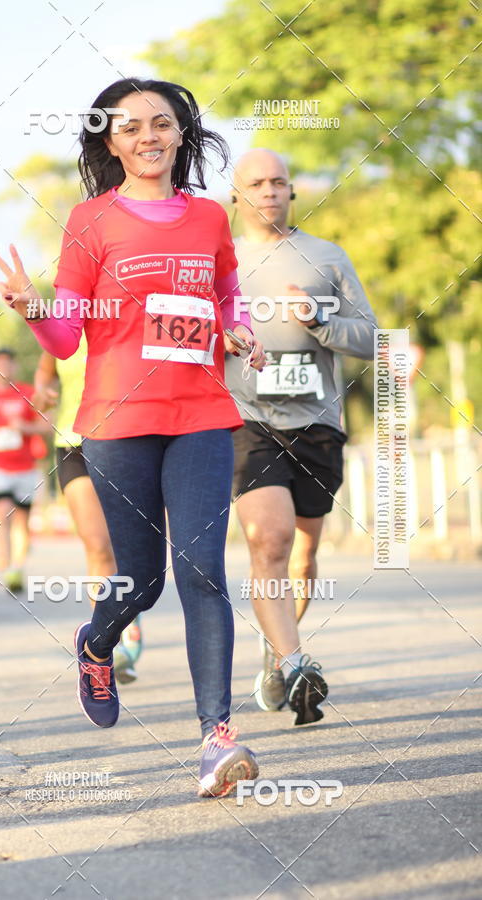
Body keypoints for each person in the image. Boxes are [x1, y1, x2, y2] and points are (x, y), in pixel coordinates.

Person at [0, 77, 267, 797]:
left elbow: (227, 296)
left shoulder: (209, 217)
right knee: (138, 580)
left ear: (181, 133)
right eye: (131, 127)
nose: (149, 136)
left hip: (202, 414)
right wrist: (30, 309)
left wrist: (240, 330)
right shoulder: (91, 222)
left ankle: (216, 737)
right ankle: (96, 641)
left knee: (202, 571)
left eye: (162, 123)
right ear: (110, 142)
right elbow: (67, 335)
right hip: (117, 423)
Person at [226, 148, 377, 725]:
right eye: (256, 183)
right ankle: (294, 664)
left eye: (279, 182)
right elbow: (184, 337)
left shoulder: (326, 257)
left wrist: (320, 319)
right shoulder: (220, 261)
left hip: (317, 424)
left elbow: (370, 338)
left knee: (304, 554)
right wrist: (220, 342)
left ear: (292, 191)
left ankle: (275, 646)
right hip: (246, 420)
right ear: (236, 196)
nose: (269, 191)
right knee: (271, 542)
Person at [32, 347, 144, 684]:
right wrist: (42, 390)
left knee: (129, 545)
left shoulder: (125, 313)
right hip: (72, 443)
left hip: (126, 439)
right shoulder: (66, 321)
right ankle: (110, 640)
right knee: (97, 544)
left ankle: (128, 615)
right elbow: (45, 370)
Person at [0, 347, 52, 592]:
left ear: (14, 367)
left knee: (22, 521)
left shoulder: (27, 393)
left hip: (25, 466)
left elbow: (46, 426)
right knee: (3, 512)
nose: (4, 369)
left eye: (8, 364)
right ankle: (4, 561)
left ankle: (17, 567)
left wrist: (24, 427)